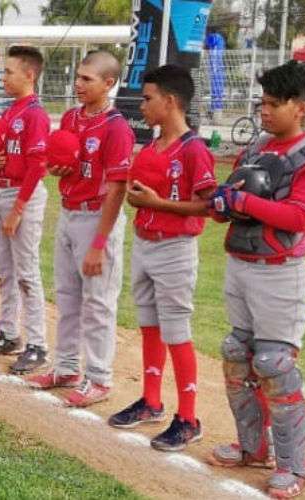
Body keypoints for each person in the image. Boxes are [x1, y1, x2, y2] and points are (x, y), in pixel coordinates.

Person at [208, 61, 305, 499]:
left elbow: (300, 215)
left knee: (274, 365)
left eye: (273, 104)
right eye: (262, 103)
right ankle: (252, 447)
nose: (264, 111)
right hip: (240, 262)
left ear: (300, 108)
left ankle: (295, 465)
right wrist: (223, 202)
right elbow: (229, 197)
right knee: (236, 353)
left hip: (279, 274)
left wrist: (244, 200)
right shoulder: (257, 149)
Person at [108, 64, 216, 452]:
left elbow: (207, 206)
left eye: (149, 98)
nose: (143, 105)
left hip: (174, 249)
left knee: (176, 331)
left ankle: (189, 417)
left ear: (170, 102)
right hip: (145, 243)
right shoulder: (151, 147)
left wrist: (159, 204)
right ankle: (151, 400)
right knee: (149, 325)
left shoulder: (194, 150)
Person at [27, 51, 133, 401]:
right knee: (67, 296)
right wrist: (58, 168)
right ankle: (67, 366)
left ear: (109, 83)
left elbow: (117, 187)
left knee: (99, 301)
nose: (78, 84)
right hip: (70, 211)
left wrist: (100, 242)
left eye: (87, 79)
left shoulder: (117, 127)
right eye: (78, 76)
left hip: (97, 216)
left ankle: (99, 377)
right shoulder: (72, 117)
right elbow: (63, 161)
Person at [0, 45, 50, 374]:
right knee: (5, 270)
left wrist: (18, 208)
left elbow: (37, 165)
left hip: (24, 196)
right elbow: (2, 154)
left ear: (29, 75)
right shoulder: (10, 112)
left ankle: (37, 344)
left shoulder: (35, 113)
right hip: (4, 190)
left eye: (9, 71)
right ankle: (8, 332)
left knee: (26, 273)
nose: (3, 77)